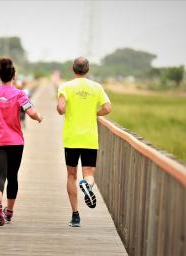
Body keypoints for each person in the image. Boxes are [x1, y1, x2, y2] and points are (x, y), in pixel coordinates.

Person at [0, 57, 43, 226]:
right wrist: (39, 118)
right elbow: (30, 112)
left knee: (0, 175)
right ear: (13, 76)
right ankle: (9, 212)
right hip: (15, 142)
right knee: (12, 176)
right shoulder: (19, 94)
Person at [57, 57, 111, 227]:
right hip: (89, 138)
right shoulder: (97, 87)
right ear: (87, 69)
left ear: (73, 69)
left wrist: (63, 108)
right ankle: (87, 185)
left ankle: (75, 215)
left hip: (72, 138)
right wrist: (94, 113)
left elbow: (60, 108)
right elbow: (108, 108)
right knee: (88, 173)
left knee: (71, 175)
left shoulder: (65, 87)